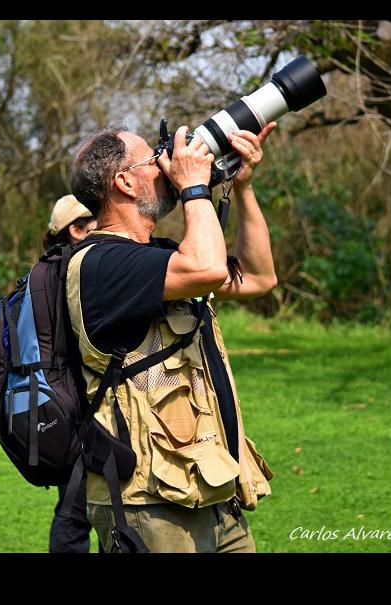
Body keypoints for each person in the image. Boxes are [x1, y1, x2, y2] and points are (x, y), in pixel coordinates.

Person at [67, 123, 277, 552]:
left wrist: (242, 187)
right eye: (154, 157)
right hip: (148, 503)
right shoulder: (102, 264)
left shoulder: (157, 256)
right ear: (124, 182)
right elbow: (208, 269)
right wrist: (193, 187)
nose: (167, 163)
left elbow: (258, 277)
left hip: (208, 482)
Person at [44, 195, 97, 553]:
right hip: (79, 411)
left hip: (77, 409)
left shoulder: (52, 273)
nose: (93, 228)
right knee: (77, 511)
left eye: (97, 219)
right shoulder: (65, 275)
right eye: (82, 224)